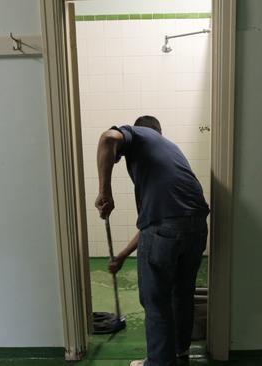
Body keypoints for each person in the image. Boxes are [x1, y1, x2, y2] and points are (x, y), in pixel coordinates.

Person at [95, 115, 209, 366]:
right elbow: (156, 226)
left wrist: (105, 191)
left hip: (168, 228)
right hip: (197, 226)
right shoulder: (171, 153)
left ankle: (158, 363)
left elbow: (107, 138)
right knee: (182, 293)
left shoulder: (138, 135)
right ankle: (179, 350)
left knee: (155, 299)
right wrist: (123, 256)